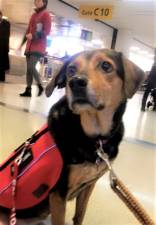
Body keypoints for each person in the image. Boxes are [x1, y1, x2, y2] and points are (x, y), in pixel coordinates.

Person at [19, 0, 51, 97]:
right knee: (28, 70)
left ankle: (40, 85)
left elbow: (47, 31)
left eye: (38, 0)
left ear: (44, 2)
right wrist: (22, 44)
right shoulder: (33, 15)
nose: (35, 1)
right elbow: (28, 30)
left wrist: (33, 36)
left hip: (38, 46)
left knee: (31, 67)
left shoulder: (46, 15)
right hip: (29, 46)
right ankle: (28, 90)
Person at [0, 10, 10, 82]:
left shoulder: (6, 23)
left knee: (2, 63)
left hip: (3, 46)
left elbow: (6, 35)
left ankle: (2, 78)